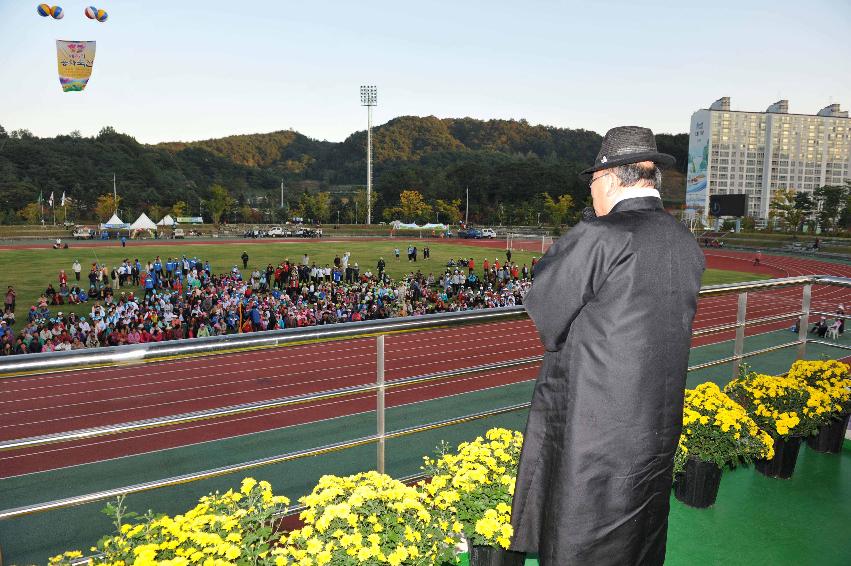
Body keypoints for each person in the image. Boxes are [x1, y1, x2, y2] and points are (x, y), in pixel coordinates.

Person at [510, 126, 704, 565]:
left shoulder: (603, 235)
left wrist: (587, 225)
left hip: (595, 421)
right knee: (640, 521)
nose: (591, 189)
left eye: (593, 180)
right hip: (655, 417)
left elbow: (545, 303)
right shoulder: (683, 240)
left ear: (614, 178)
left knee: (582, 528)